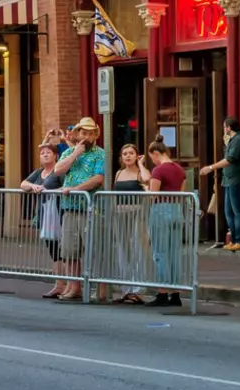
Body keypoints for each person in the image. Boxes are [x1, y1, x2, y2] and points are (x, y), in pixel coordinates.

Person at [52, 117, 108, 302]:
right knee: (70, 250)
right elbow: (58, 170)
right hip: (70, 208)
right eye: (84, 133)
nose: (87, 136)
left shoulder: (100, 154)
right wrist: (75, 153)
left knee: (94, 250)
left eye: (91, 133)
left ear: (96, 135)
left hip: (91, 208)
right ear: (77, 134)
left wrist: (75, 190)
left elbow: (98, 178)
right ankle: (74, 287)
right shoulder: (69, 151)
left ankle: (99, 290)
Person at [142, 140, 187, 306]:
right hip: (176, 210)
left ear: (155, 153)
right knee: (174, 253)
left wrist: (145, 189)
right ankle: (175, 294)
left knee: (160, 252)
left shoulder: (158, 170)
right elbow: (182, 193)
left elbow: (153, 195)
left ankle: (162, 293)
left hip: (160, 210)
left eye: (151, 156)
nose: (152, 160)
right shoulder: (179, 169)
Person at [201, 116, 240, 251]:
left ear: (229, 127)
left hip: (236, 180)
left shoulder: (239, 140)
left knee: (237, 211)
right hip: (228, 180)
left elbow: (229, 160)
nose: (224, 129)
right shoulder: (232, 141)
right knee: (228, 211)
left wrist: (210, 167)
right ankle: (233, 239)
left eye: (224, 127)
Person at [23, 143, 65, 297]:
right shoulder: (39, 172)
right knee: (54, 251)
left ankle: (68, 283)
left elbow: (67, 186)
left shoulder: (59, 171)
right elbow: (23, 184)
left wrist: (52, 191)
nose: (45, 155)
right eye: (42, 153)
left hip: (59, 213)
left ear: (55, 155)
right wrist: (33, 186)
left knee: (64, 251)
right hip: (44, 214)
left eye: (48, 152)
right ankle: (58, 285)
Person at [110, 143, 149, 303]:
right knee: (123, 251)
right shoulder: (118, 173)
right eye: (125, 153)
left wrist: (141, 164)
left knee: (139, 250)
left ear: (137, 155)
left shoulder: (141, 173)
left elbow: (148, 179)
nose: (127, 156)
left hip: (137, 214)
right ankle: (126, 289)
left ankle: (139, 290)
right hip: (120, 215)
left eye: (131, 153)